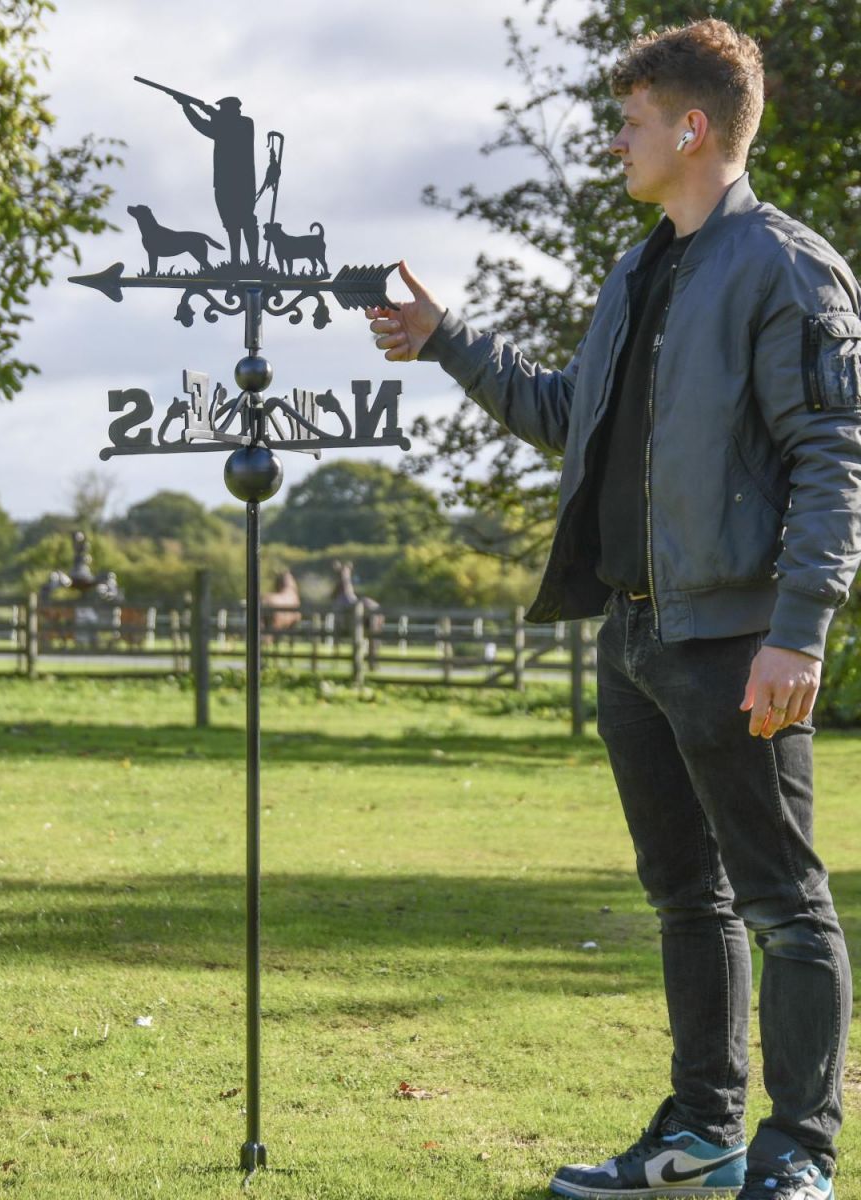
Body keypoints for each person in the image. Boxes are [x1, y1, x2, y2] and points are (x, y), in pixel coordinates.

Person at [367, 18, 861, 1200]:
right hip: (634, 638)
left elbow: (836, 458)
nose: (615, 140)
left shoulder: (792, 270)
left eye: (631, 121)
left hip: (738, 640)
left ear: (692, 128)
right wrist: (444, 344)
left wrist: (798, 632)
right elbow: (566, 416)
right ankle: (703, 1131)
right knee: (685, 900)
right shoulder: (640, 269)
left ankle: (799, 1153)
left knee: (784, 903)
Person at [181, 96, 260, 267]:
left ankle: (254, 262)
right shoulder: (223, 123)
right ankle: (235, 262)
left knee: (247, 221)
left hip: (242, 181)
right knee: (231, 223)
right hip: (224, 182)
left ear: (231, 110)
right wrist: (187, 107)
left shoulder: (245, 123)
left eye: (223, 109)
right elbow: (203, 126)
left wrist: (206, 111)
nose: (221, 112)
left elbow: (215, 128)